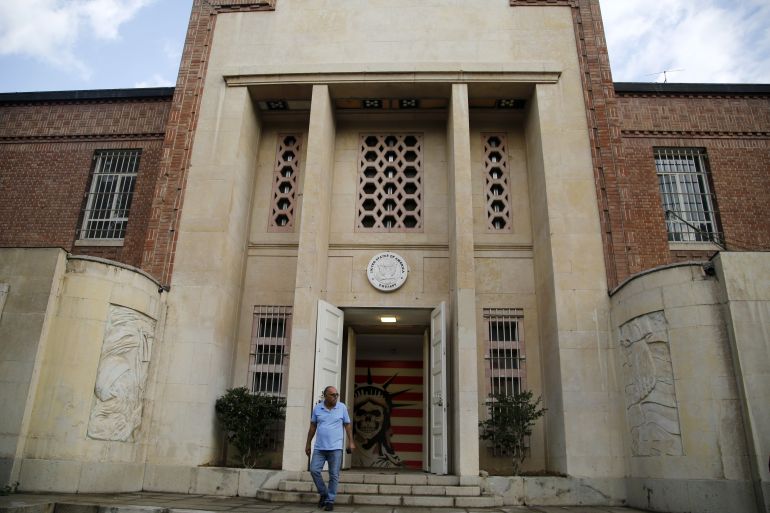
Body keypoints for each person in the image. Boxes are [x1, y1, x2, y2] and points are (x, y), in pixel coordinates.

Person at [305, 386, 355, 511]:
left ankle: (330, 501)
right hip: (319, 448)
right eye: (333, 395)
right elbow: (312, 427)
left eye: (336, 394)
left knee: (334, 475)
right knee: (314, 470)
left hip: (335, 448)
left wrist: (351, 442)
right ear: (325, 395)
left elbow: (347, 425)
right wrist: (307, 444)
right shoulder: (318, 408)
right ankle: (324, 493)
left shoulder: (342, 407)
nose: (335, 397)